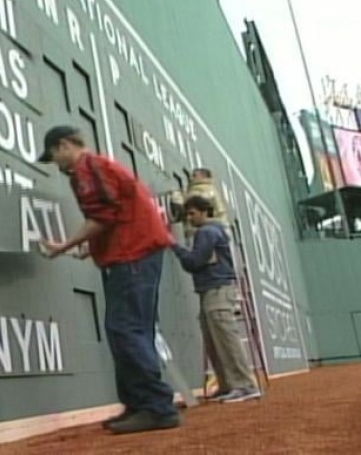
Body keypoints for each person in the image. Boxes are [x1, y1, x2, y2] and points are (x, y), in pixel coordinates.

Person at [36, 125, 181, 434]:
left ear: (63, 146)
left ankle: (156, 406)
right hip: (135, 252)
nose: (56, 164)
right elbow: (118, 215)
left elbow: (104, 217)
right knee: (129, 329)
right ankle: (140, 404)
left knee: (125, 327)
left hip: (133, 255)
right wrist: (90, 248)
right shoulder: (99, 167)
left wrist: (64, 246)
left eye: (54, 156)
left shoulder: (88, 168)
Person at [171, 195, 261, 403]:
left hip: (217, 289)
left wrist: (175, 247)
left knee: (226, 339)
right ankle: (228, 385)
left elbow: (194, 262)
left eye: (192, 213)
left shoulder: (207, 231)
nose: (189, 218)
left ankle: (244, 385)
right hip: (212, 289)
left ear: (204, 212)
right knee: (215, 340)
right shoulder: (213, 230)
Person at [183, 168, 229, 242]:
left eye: (195, 175)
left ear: (203, 176)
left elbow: (197, 201)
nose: (191, 178)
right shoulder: (209, 188)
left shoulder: (205, 189)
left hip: (210, 230)